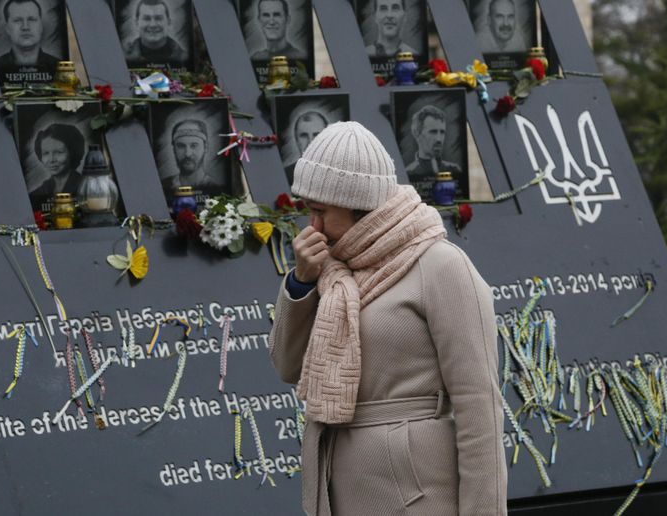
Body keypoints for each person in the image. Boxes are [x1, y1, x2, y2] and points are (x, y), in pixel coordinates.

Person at [269, 121, 507, 515]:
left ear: (356, 202)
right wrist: (300, 284)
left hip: (417, 499)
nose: (312, 227)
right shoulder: (331, 270)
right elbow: (286, 366)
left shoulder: (441, 265)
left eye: (320, 211)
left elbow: (479, 405)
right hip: (339, 492)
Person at [28, 123, 86, 206]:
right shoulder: (37, 193)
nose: (51, 160)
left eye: (59, 152)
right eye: (46, 153)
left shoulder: (86, 187)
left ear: (72, 153)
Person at [0, 0, 60, 70]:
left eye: (32, 19)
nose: (25, 27)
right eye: (17, 20)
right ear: (7, 29)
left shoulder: (58, 67)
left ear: (41, 26)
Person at [124, 0, 189, 65]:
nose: (153, 25)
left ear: (169, 22)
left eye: (158, 18)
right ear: (136, 23)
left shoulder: (183, 58)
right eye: (147, 19)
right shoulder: (124, 58)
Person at [165, 119, 223, 191]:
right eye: (181, 146)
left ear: (205, 147)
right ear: (174, 149)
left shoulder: (217, 189)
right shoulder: (162, 187)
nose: (187, 154)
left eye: (194, 146)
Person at [405, 105, 462, 177]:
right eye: (433, 132)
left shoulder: (454, 170)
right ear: (417, 133)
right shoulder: (408, 173)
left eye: (442, 132)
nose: (439, 139)